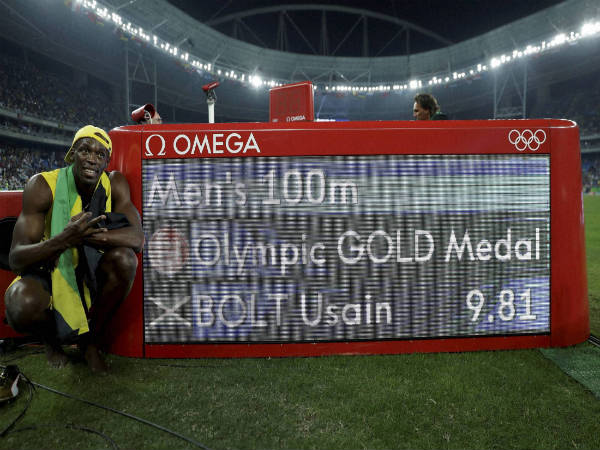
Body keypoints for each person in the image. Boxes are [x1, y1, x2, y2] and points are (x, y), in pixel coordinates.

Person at [4, 125, 144, 373]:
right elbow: (16, 258)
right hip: (51, 266)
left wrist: (88, 237)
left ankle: (89, 339)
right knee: (20, 304)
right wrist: (64, 239)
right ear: (71, 154)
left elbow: (137, 238)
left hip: (92, 266)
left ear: (107, 162)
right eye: (85, 150)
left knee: (126, 260)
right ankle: (52, 341)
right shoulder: (43, 186)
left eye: (100, 155)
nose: (92, 159)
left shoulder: (114, 183)